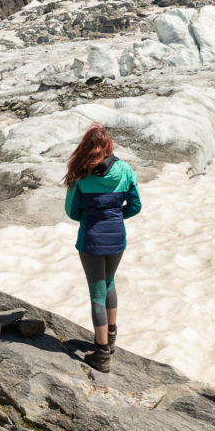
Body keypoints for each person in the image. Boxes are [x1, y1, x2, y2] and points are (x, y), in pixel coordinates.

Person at [63, 122, 142, 372]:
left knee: (96, 293)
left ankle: (102, 353)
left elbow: (72, 211)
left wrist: (90, 217)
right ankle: (112, 337)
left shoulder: (80, 175)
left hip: (91, 240)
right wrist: (116, 216)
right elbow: (135, 205)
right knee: (109, 283)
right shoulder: (126, 170)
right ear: (108, 147)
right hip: (117, 237)